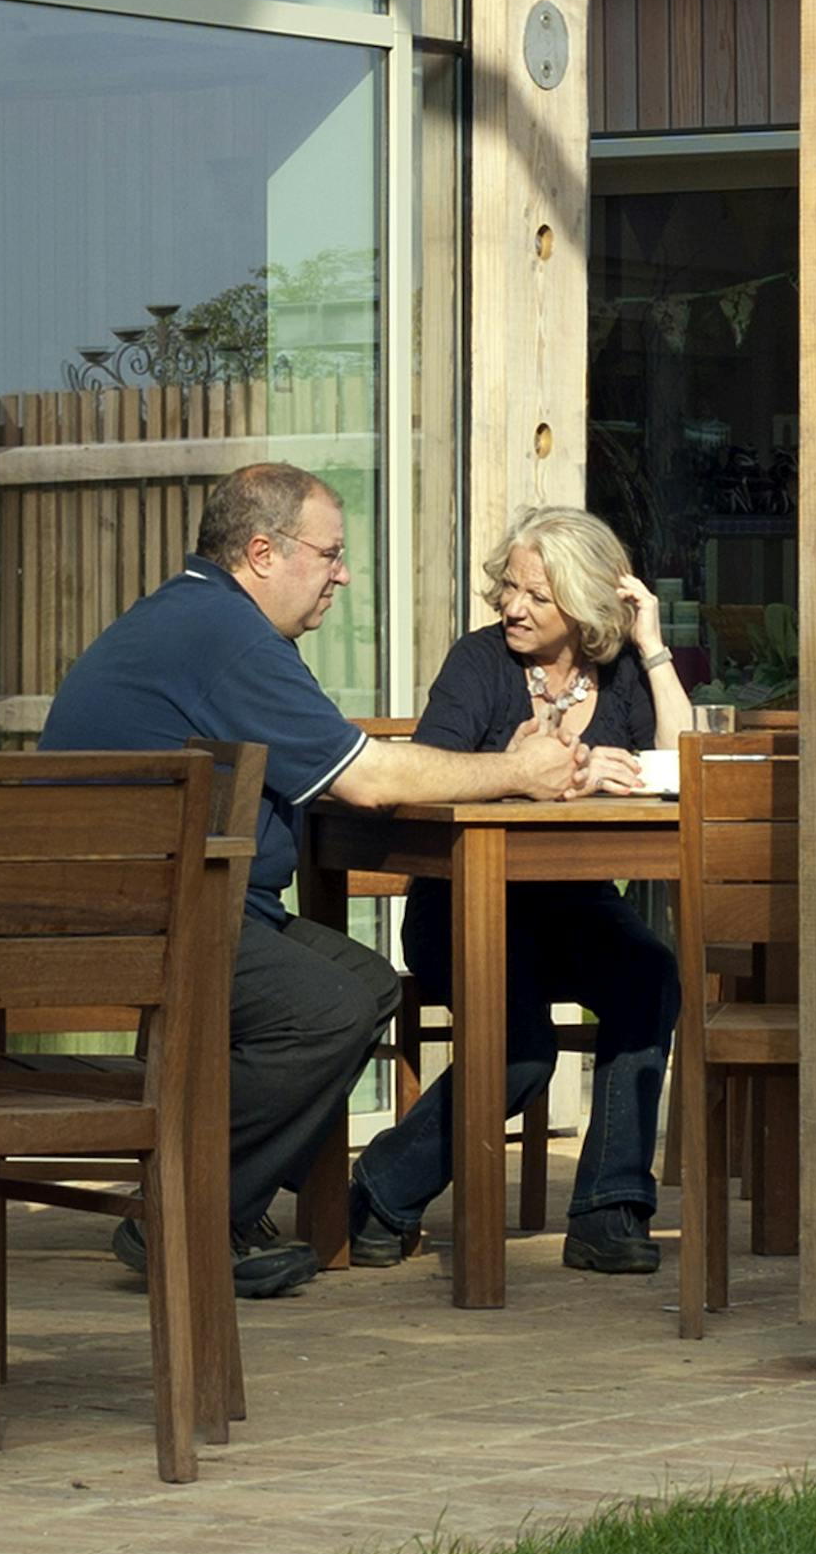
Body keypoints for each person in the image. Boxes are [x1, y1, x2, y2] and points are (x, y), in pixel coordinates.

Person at [42, 460, 578, 1297]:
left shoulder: (207, 618)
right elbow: (364, 777)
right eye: (329, 553)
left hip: (181, 901)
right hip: (136, 916)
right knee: (323, 1009)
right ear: (263, 552)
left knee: (364, 983)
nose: (344, 573)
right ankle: (182, 1211)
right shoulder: (227, 637)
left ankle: (238, 1192)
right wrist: (515, 772)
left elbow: (332, 761)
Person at [345, 505, 690, 1281]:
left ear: (585, 601)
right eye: (509, 587)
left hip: (574, 902)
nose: (512, 606)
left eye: (536, 593)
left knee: (648, 973)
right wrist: (535, 773)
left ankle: (608, 1208)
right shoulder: (479, 663)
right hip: (463, 904)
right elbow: (426, 776)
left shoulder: (620, 672)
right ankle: (377, 1192)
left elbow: (679, 765)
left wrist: (653, 645)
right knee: (522, 1049)